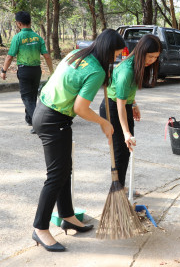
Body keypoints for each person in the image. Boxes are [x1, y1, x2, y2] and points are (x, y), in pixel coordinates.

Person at [32, 29, 125, 252]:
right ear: (107, 51)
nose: (117, 59)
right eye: (116, 55)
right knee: (55, 176)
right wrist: (104, 122)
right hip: (55, 120)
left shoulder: (76, 54)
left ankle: (67, 216)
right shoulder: (96, 71)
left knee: (65, 171)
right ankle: (40, 228)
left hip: (44, 111)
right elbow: (80, 108)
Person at [99, 34, 162, 194]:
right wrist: (126, 132)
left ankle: (120, 187)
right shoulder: (126, 70)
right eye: (150, 56)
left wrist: (133, 104)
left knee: (125, 151)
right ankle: (116, 191)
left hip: (123, 105)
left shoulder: (136, 65)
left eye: (156, 57)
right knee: (120, 151)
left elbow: (127, 95)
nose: (152, 60)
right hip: (112, 108)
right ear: (141, 52)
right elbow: (119, 104)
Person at [0, 11, 53, 134]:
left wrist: (3, 71)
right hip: (36, 71)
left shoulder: (18, 37)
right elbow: (47, 56)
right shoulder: (38, 37)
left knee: (27, 97)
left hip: (24, 70)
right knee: (32, 96)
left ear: (18, 23)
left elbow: (9, 57)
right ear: (30, 22)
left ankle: (38, 124)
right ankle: (29, 119)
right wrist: (52, 71)